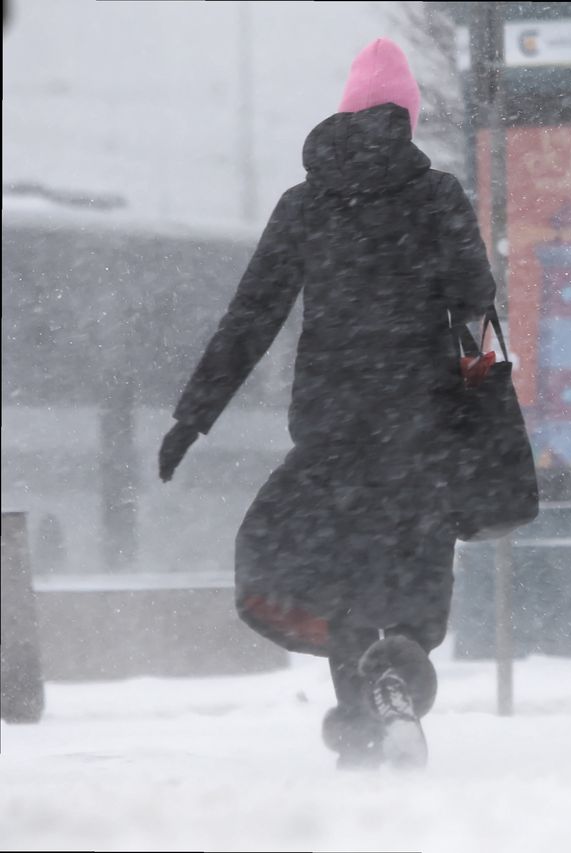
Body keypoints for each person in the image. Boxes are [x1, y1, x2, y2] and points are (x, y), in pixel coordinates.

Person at [157, 38, 496, 768]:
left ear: (343, 115)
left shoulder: (305, 205)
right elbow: (477, 316)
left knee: (336, 573)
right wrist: (495, 417)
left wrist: (195, 411)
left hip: (333, 431)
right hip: (422, 429)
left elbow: (252, 314)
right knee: (413, 572)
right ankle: (396, 690)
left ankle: (362, 720)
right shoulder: (437, 198)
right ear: (405, 118)